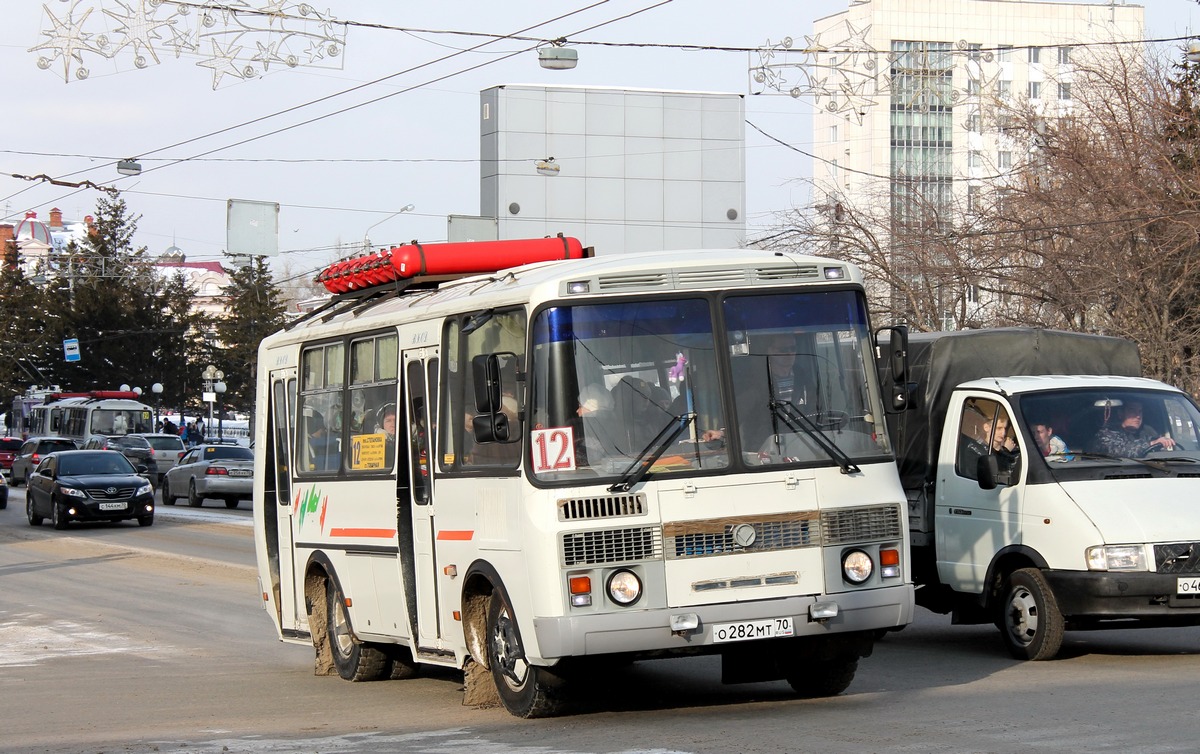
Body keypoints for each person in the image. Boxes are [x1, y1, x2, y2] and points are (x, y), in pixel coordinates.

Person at [1094, 400, 1175, 457]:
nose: (1138, 416)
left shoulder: (1146, 432)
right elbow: (1120, 450)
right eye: (1132, 411)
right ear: (1120, 413)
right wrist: (1152, 444)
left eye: (1140, 411)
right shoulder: (1106, 433)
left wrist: (1164, 442)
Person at [377, 403, 397, 467]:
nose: (393, 424)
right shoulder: (374, 445)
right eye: (388, 421)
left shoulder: (414, 439)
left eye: (396, 420)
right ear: (382, 425)